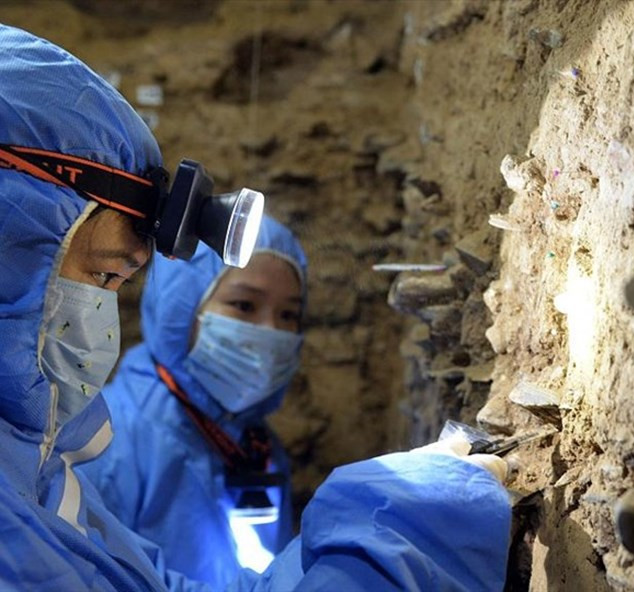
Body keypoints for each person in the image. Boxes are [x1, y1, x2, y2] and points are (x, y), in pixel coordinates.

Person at [0, 23, 511, 591]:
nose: (99, 310)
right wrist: (395, 546)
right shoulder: (109, 455)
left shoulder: (36, 471)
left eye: (117, 282)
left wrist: (382, 520)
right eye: (100, 273)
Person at [80, 215, 308, 585]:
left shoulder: (257, 447)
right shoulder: (105, 436)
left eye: (289, 314)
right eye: (244, 305)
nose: (272, 331)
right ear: (182, 307)